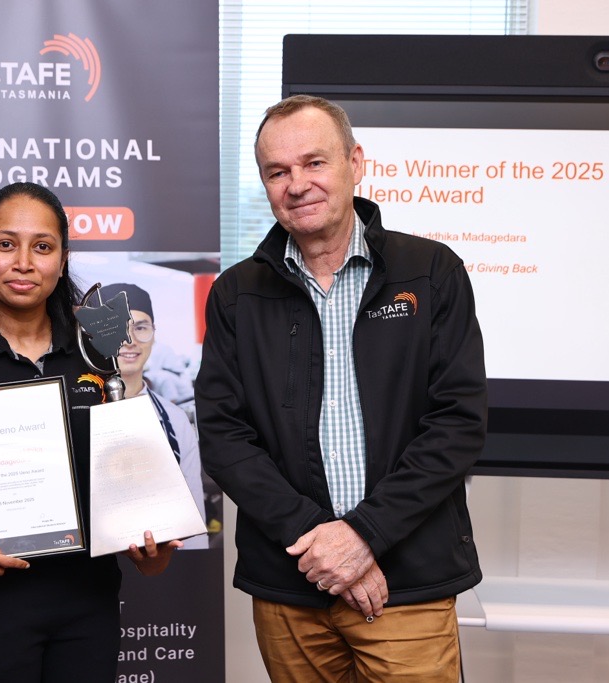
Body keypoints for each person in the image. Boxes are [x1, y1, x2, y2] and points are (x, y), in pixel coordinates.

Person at [194, 95, 487, 682]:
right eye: (278, 172)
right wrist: (317, 540)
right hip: (290, 587)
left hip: (406, 584)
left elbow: (457, 424)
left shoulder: (430, 273)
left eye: (314, 162)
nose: (297, 183)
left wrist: (363, 536)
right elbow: (224, 435)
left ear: (355, 162)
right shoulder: (236, 294)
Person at [0, 182, 181, 683]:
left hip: (89, 602)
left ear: (62, 261)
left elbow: (130, 475)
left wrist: (151, 545)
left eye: (42, 247)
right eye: (6, 244)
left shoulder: (97, 351)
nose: (23, 262)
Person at [98, 282, 208, 549]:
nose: (130, 340)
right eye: (117, 326)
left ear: (154, 334)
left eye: (141, 327)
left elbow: (193, 526)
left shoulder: (175, 419)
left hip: (164, 571)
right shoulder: (75, 409)